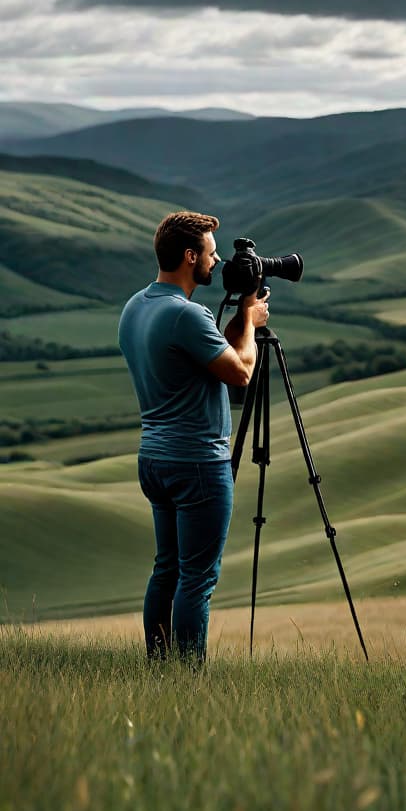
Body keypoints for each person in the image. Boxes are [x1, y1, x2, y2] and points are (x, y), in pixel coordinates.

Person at [118, 210, 269, 661]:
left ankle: (160, 668)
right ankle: (188, 679)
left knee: (166, 570)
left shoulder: (136, 307)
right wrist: (251, 323)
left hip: (154, 459)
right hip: (198, 463)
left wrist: (235, 328)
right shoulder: (186, 315)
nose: (218, 260)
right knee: (197, 578)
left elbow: (196, 360)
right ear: (189, 256)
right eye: (210, 252)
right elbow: (241, 373)